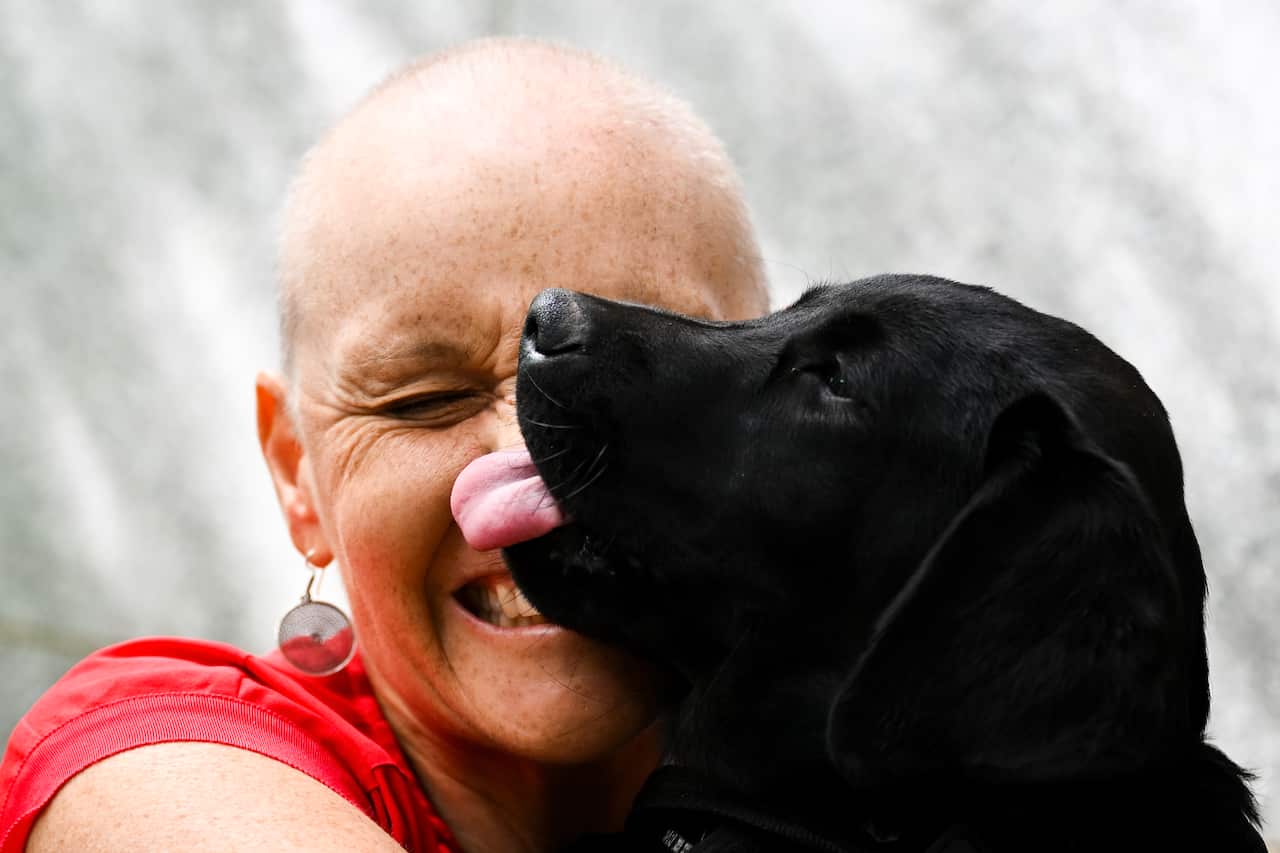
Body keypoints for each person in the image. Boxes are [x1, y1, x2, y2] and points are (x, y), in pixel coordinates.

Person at [0, 38, 769, 852]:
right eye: (426, 400)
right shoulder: (155, 762)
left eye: (638, 375)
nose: (533, 477)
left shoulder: (885, 739)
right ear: (298, 475)